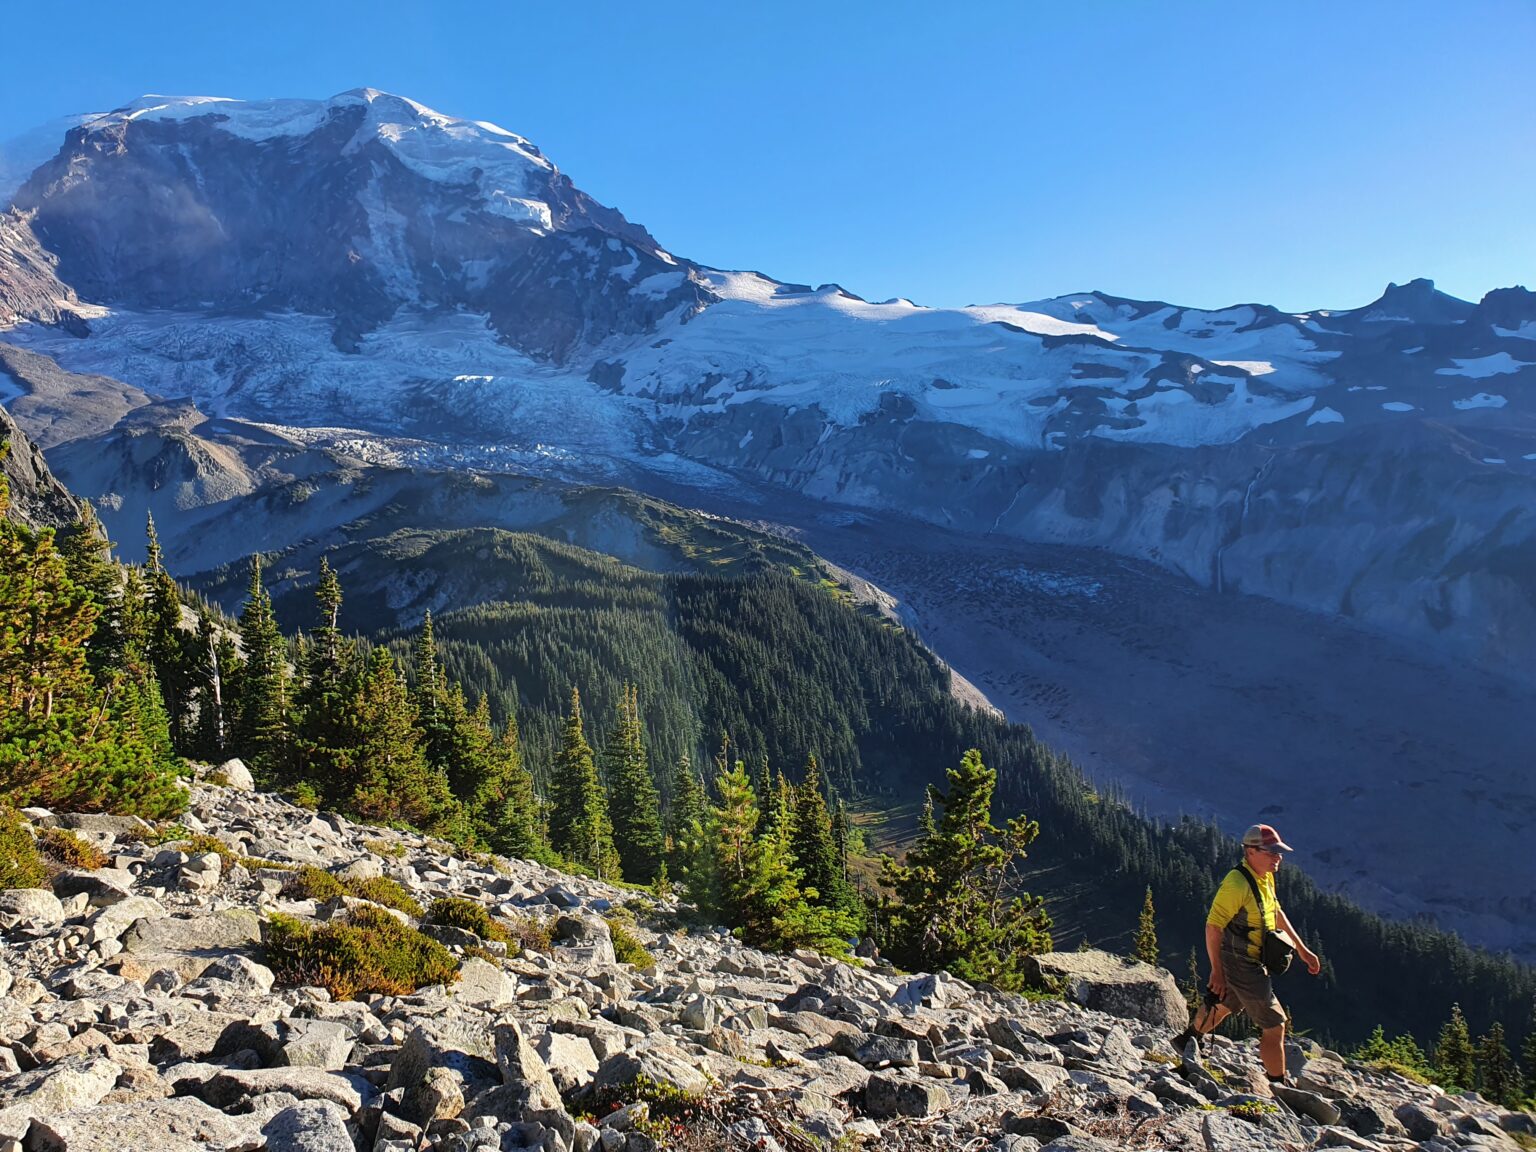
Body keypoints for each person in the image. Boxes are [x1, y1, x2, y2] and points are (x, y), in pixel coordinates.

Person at [1173, 823, 1322, 1088]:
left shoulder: (1264, 876)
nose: (1278, 857)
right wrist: (1216, 972)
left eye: (1279, 852)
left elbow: (1275, 912)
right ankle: (1278, 1085)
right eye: (1272, 852)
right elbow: (1213, 926)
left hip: (1250, 958)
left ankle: (1188, 1041)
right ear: (1251, 851)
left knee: (1224, 1006)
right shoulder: (1236, 883)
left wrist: (1302, 950)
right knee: (1275, 1024)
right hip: (1242, 963)